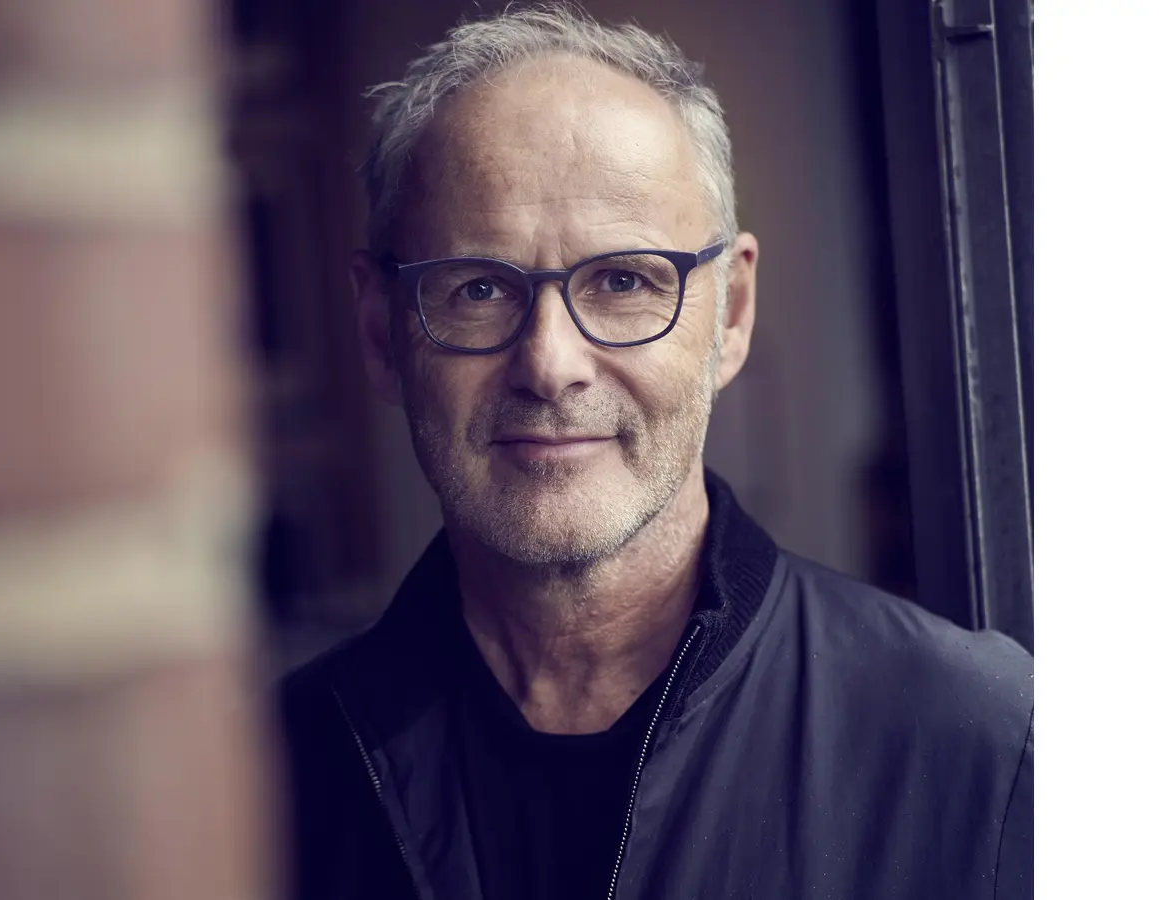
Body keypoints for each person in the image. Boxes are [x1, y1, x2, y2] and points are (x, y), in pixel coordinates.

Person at [276, 6, 1032, 900]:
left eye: (625, 281)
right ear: (380, 331)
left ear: (733, 312)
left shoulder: (984, 741)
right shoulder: (272, 778)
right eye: (478, 287)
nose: (551, 365)